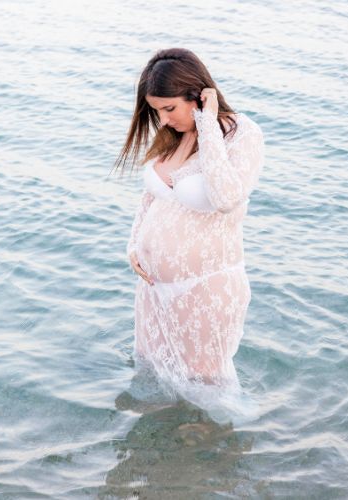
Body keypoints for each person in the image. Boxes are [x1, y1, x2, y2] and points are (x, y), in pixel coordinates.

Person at [113, 47, 265, 417]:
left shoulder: (241, 134)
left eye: (169, 108)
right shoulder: (174, 135)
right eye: (156, 111)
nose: (163, 120)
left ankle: (225, 448)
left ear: (198, 95)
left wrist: (207, 124)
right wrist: (134, 244)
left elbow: (226, 197)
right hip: (154, 291)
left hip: (204, 289)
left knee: (209, 392)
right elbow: (151, 196)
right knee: (157, 383)